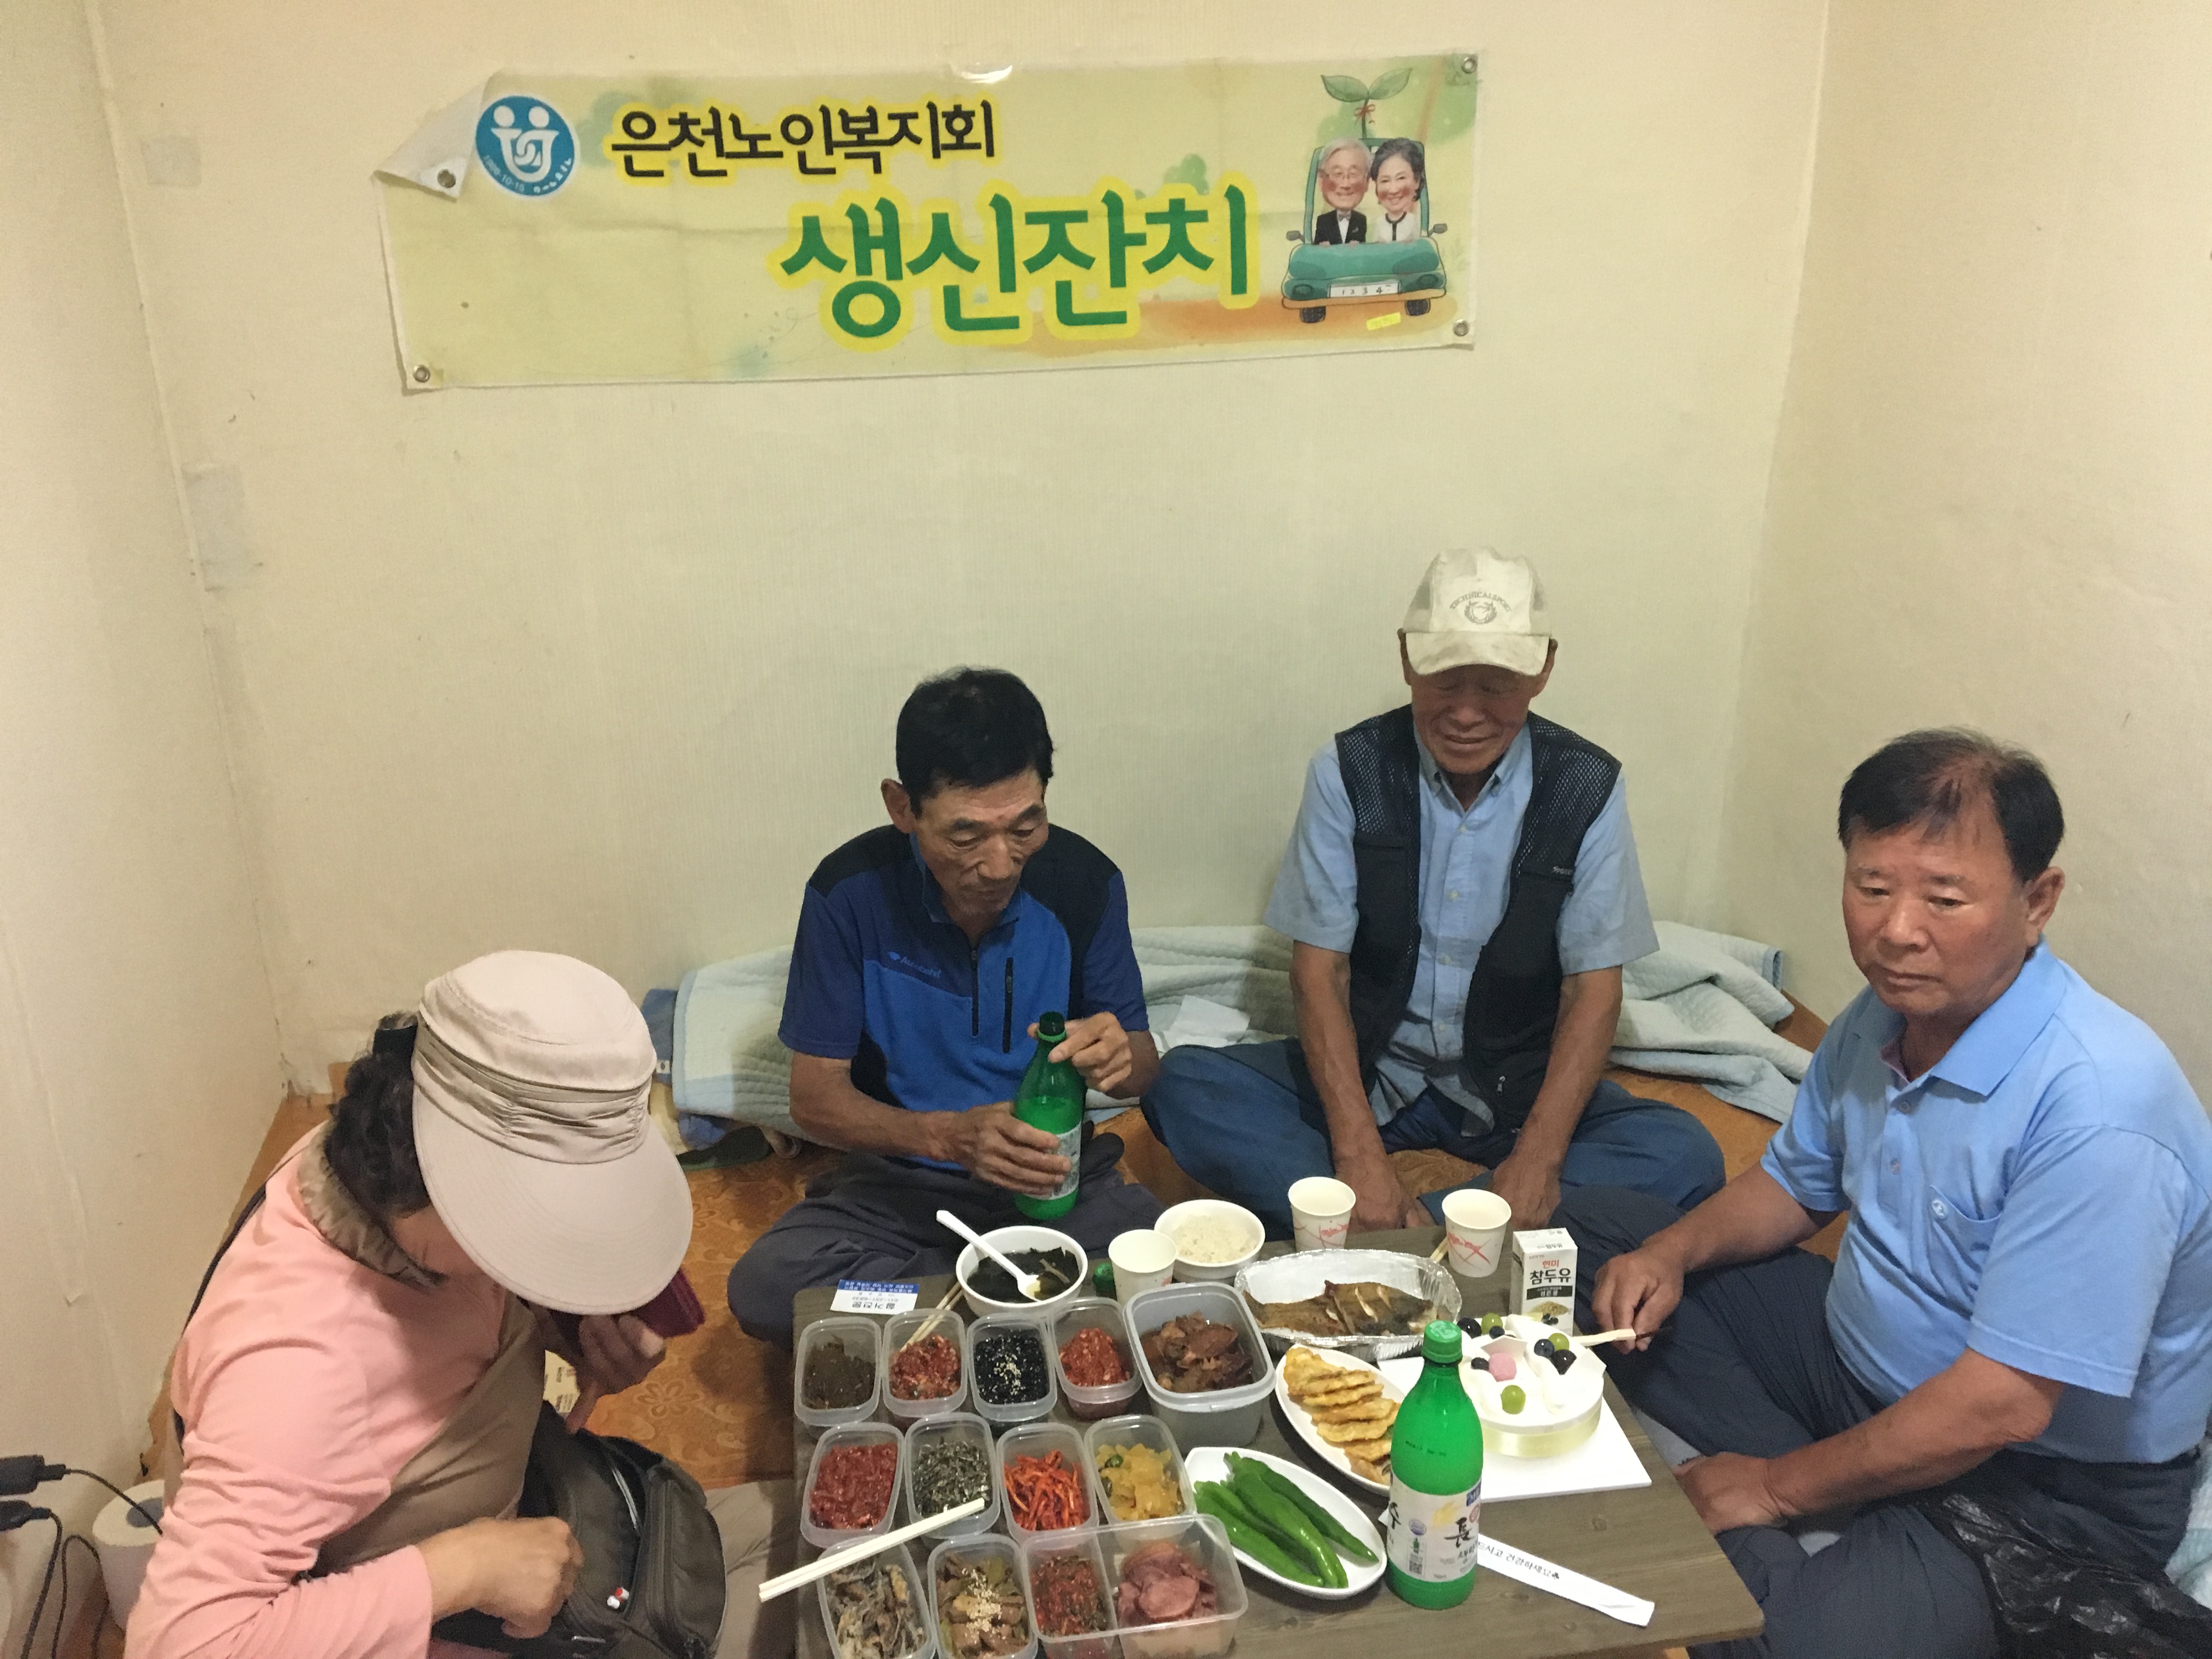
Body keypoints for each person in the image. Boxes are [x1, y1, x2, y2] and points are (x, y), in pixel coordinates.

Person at [1562, 731, 2212, 1659]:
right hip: (1853, 1371)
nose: (1898, 929)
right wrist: (1668, 1252)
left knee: (1790, 1640)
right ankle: (1826, 1504)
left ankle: (1784, 1510)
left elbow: (2002, 1405)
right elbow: (1792, 1185)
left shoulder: (2103, 1106)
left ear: (2037, 901)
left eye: (1944, 898)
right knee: (1597, 1235)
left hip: (2036, 1484)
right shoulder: (1886, 1014)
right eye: (1872, 887)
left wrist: (1775, 1487)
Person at [130, 951, 795, 1659]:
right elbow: (180, 1643)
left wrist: (564, 1324)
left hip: (547, 1506)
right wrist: (463, 1571)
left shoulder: (374, 1165)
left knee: (824, 1534)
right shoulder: (301, 1371)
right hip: (468, 1617)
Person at [1143, 549, 1724, 1240]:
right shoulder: (1348, 771)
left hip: (1515, 1091)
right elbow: (1319, 972)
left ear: (1543, 669)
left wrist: (1538, 1161)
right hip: (1374, 1074)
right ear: (1407, 659)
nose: (1467, 713)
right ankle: (1455, 1233)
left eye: (1498, 685)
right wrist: (1358, 1156)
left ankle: (1391, 1234)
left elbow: (1592, 989)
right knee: (1183, 1085)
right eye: (1446, 680)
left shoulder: (1586, 787)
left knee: (1684, 1153)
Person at [725, 668, 1164, 1347]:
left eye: (1025, 826)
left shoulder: (1086, 884)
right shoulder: (849, 896)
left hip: (1055, 1184)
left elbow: (1143, 1068)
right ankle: (1017, 1300)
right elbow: (814, 1101)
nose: (1000, 864)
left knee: (1159, 1269)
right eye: (966, 837)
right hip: (901, 1188)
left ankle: (947, 1309)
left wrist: (1121, 1056)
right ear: (902, 807)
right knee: (769, 1287)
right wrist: (947, 1138)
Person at [1311, 137, 1370, 244]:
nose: (1345, 184)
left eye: (1353, 174)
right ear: (1321, 179)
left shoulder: (1363, 220)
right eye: (1338, 174)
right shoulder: (1323, 220)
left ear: (1367, 180)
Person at [1369, 137, 1425, 242]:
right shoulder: (1379, 223)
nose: (1393, 190)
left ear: (1417, 181)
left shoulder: (1413, 221)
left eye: (1401, 178)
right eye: (1385, 181)